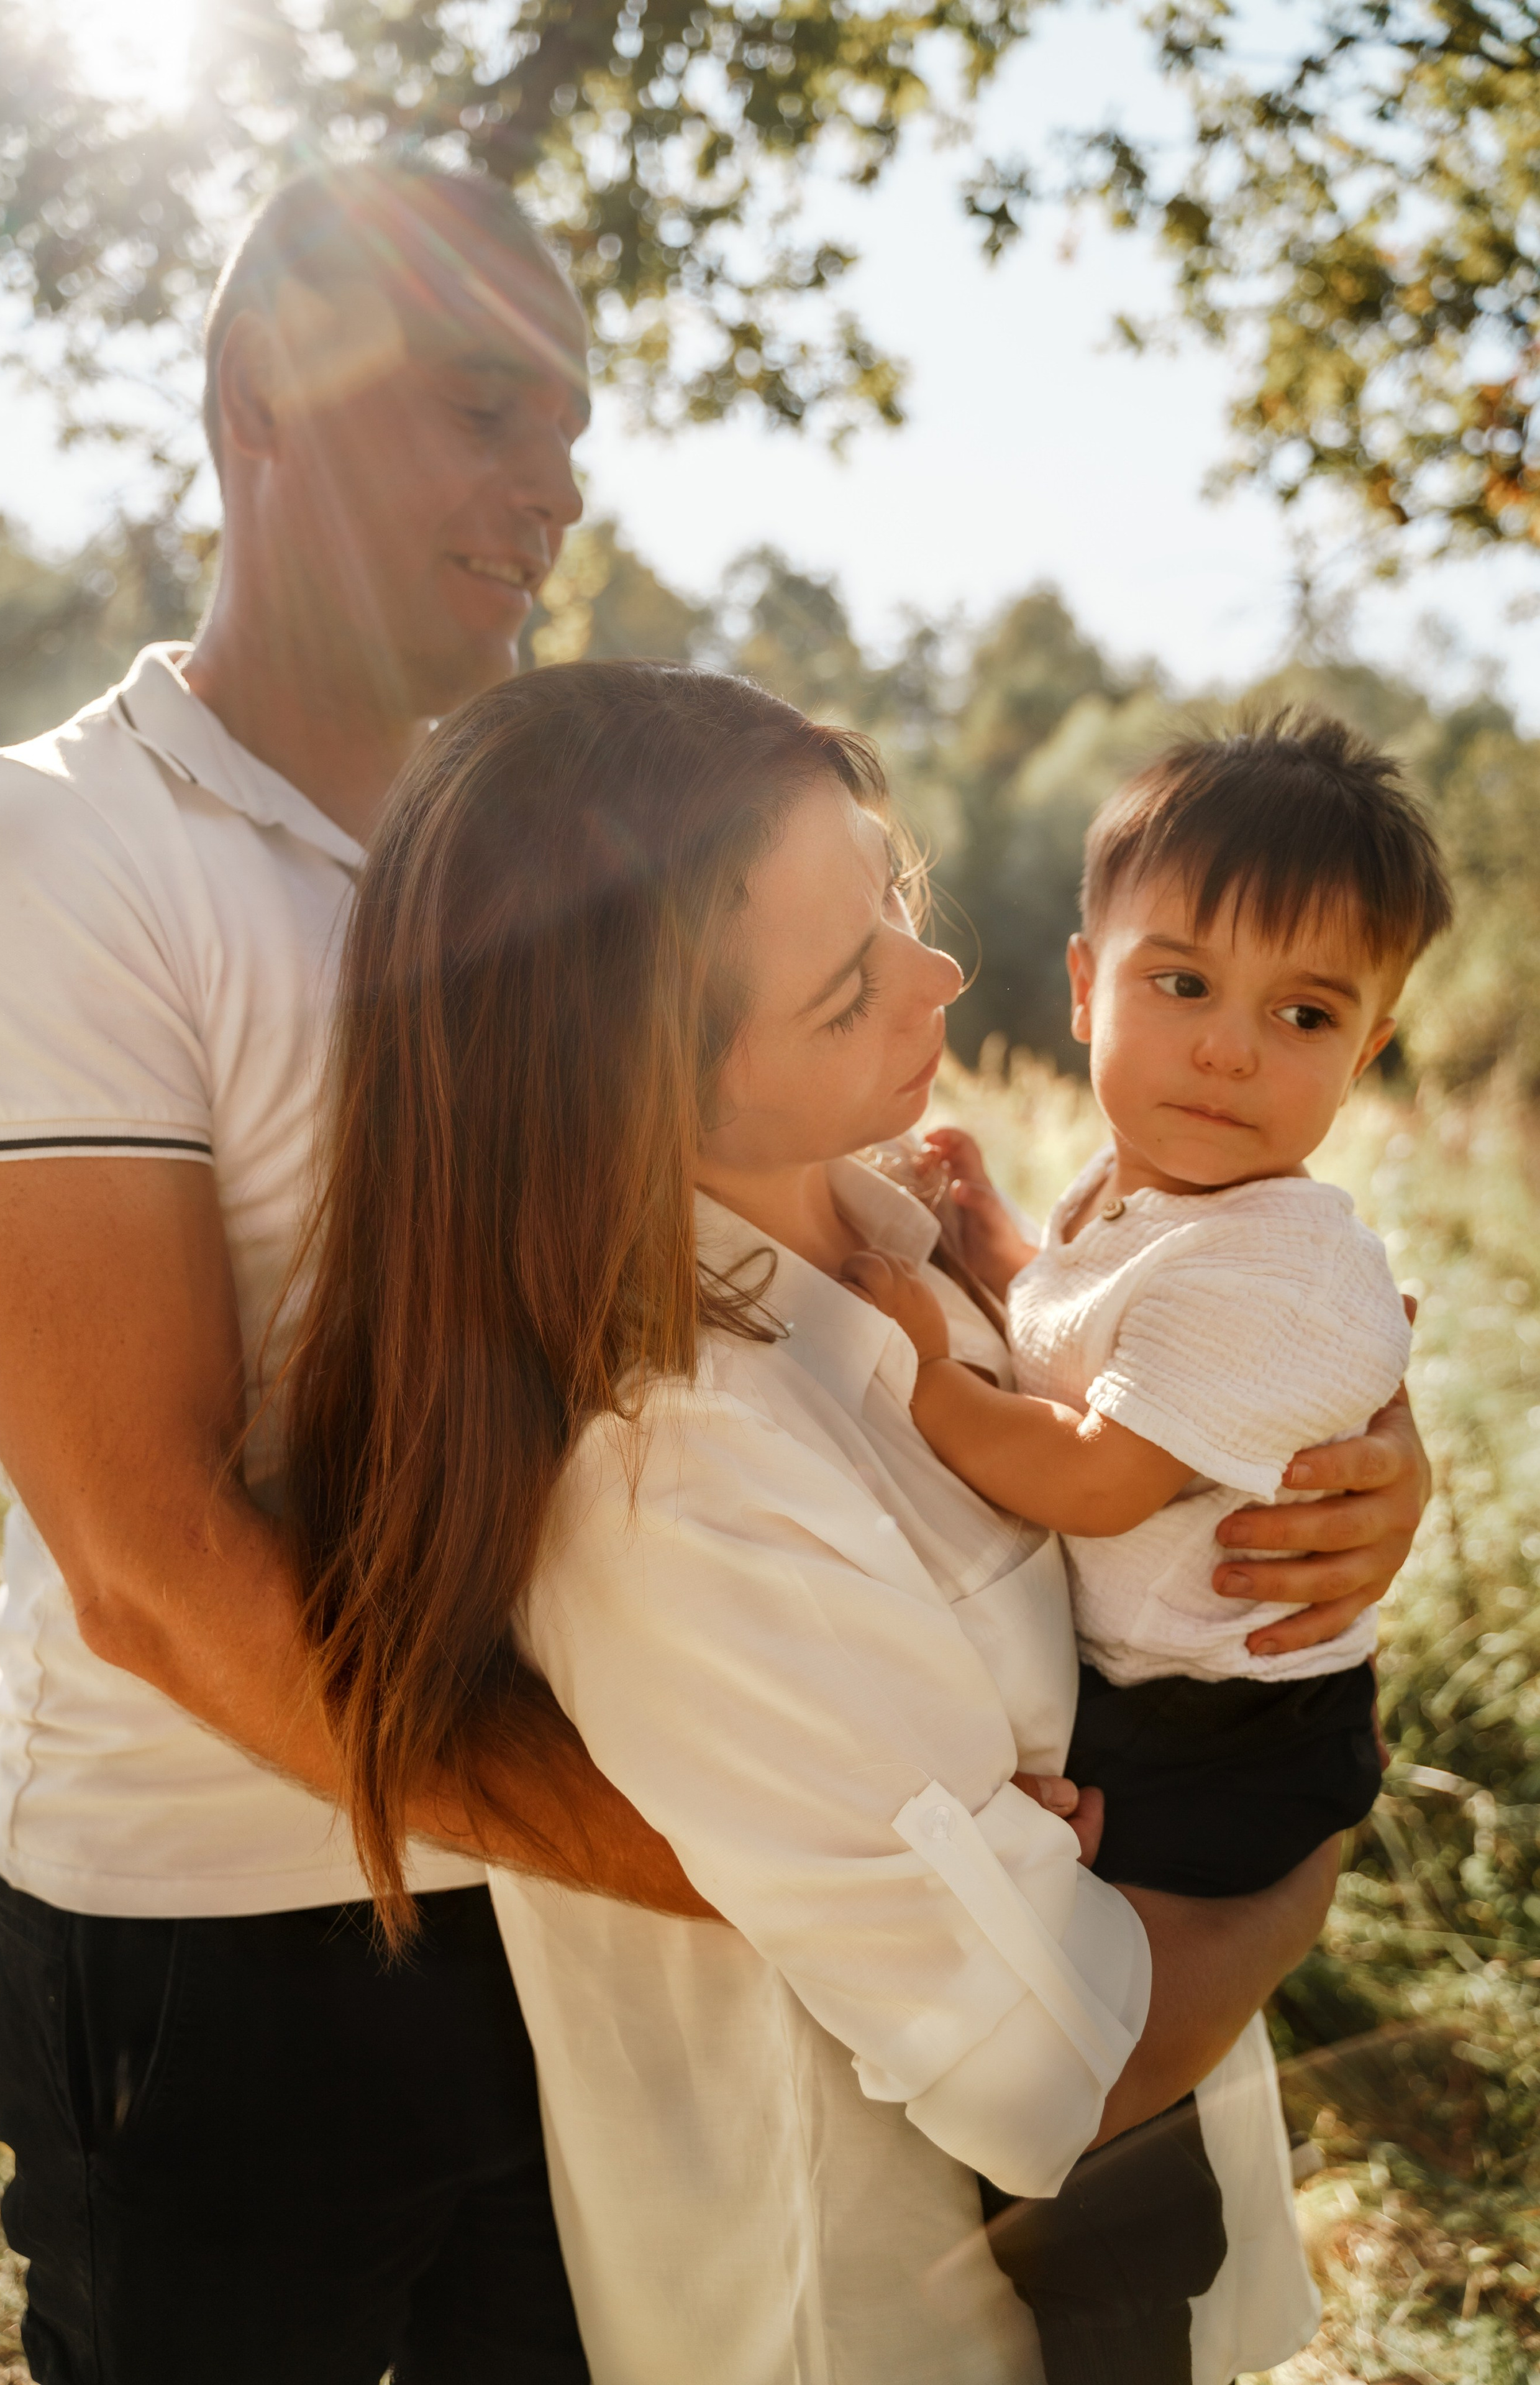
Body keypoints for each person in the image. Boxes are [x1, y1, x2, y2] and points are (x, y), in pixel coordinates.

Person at [280, 659, 1432, 2383]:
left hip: (1139, 2242)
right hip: (890, 2314)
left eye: (894, 893)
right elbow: (1068, 2065)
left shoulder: (907, 1234)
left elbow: (1179, 1405)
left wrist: (1365, 1461)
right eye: (846, 989)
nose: (941, 972)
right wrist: (1312, 1845)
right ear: (632, 1082)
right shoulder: (677, 1473)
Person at [0, 163, 705, 2385]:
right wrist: (726, 1856)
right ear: (257, 399)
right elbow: (153, 1567)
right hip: (219, 1942)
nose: (554, 486)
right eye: (483, 409)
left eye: (568, 428)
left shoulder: (570, 882)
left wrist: (1252, 1433)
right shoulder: (46, 846)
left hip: (569, 1928)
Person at [844, 712, 1452, 2381]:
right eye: (1182, 984)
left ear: (1370, 1046)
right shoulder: (1148, 1198)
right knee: (1077, 2066)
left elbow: (1100, 1472)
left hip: (1234, 1735)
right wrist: (989, 1236)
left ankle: (1123, 2320)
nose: (1231, 1052)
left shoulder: (1280, 1263)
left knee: (1102, 2091)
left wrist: (914, 1349)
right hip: (1159, 1704)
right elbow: (1084, 1336)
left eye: (1304, 1015)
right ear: (1085, 984)